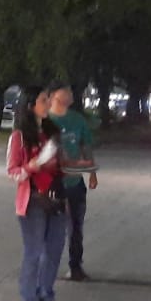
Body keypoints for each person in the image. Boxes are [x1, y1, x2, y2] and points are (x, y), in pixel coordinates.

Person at [6, 87, 69, 301]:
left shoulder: (52, 132)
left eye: (49, 99)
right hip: (32, 200)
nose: (49, 103)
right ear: (31, 105)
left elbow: (59, 164)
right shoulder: (20, 136)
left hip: (55, 196)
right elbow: (12, 171)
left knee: (53, 250)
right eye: (44, 100)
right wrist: (31, 166)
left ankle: (46, 294)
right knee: (33, 251)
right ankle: (29, 300)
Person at [47, 85, 97, 282]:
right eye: (63, 93)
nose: (68, 96)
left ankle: (75, 266)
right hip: (51, 183)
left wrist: (92, 172)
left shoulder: (77, 120)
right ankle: (47, 268)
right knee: (50, 227)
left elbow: (86, 145)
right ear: (52, 96)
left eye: (69, 93)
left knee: (76, 226)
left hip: (75, 181)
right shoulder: (45, 120)